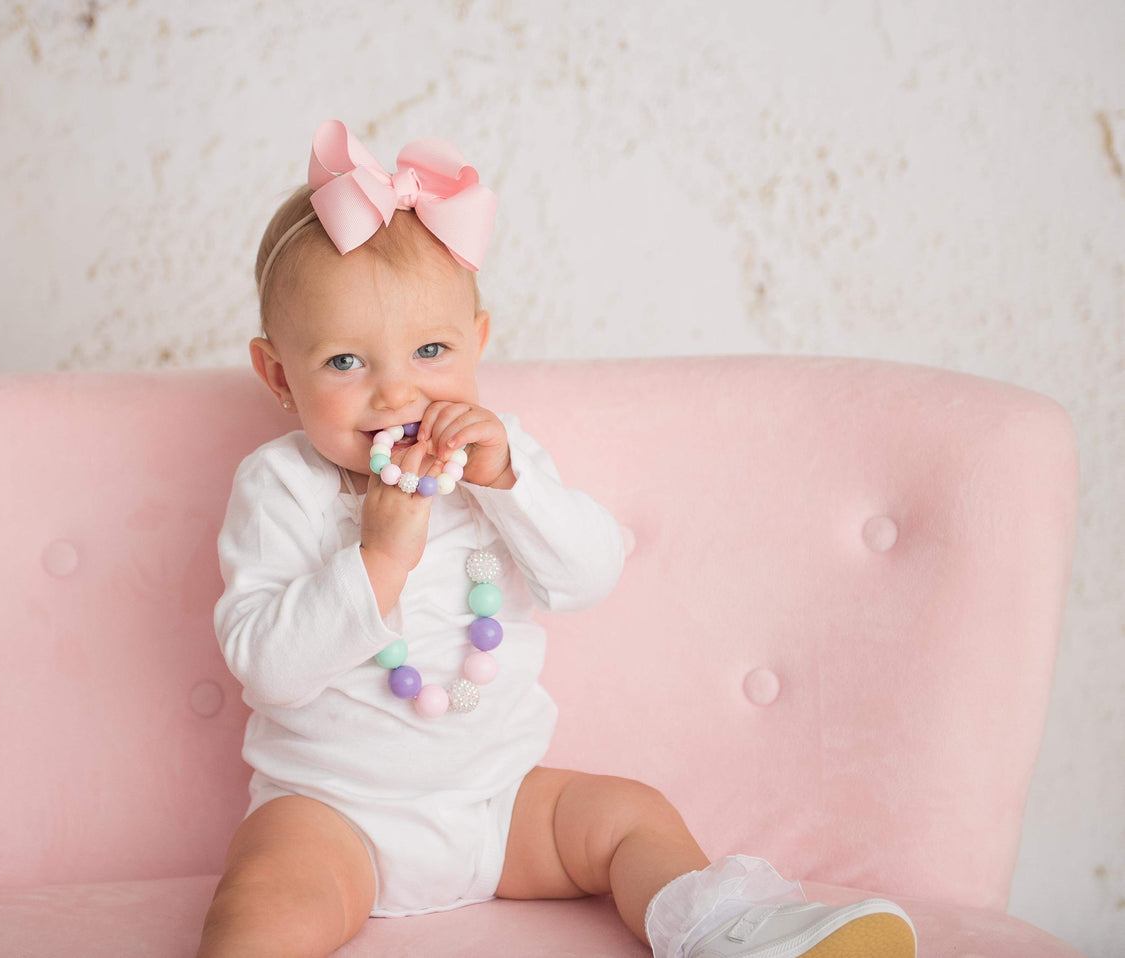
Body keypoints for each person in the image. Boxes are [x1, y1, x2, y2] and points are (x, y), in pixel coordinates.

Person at [198, 119, 917, 958]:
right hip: (335, 813)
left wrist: (509, 484)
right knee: (263, 898)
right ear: (278, 375)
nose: (395, 393)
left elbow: (589, 575)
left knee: (630, 817)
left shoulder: (501, 463)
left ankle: (726, 932)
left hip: (498, 805)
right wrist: (378, 558)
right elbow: (266, 667)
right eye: (345, 363)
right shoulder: (280, 485)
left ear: (477, 344)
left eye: (429, 350)